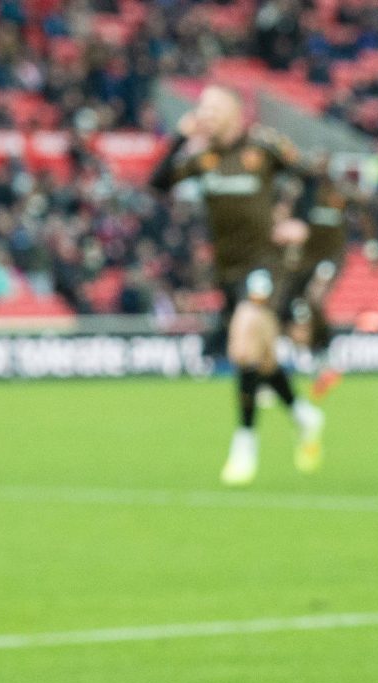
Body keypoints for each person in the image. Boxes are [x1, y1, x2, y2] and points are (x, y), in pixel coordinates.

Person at [151, 86, 324, 485]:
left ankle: (245, 441)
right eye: (202, 108)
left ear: (234, 112)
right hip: (227, 271)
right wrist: (179, 138)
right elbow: (158, 183)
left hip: (265, 265)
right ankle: (303, 415)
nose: (205, 114)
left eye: (213, 108)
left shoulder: (263, 146)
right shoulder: (202, 157)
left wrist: (300, 220)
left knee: (242, 344)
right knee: (261, 359)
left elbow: (310, 176)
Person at [280, 153, 378, 402]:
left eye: (322, 166)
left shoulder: (341, 191)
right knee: (290, 306)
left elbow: (364, 211)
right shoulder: (304, 194)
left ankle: (323, 354)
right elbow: (288, 218)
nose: (318, 170)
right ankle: (313, 360)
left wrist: (372, 245)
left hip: (331, 257)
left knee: (315, 298)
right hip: (306, 258)